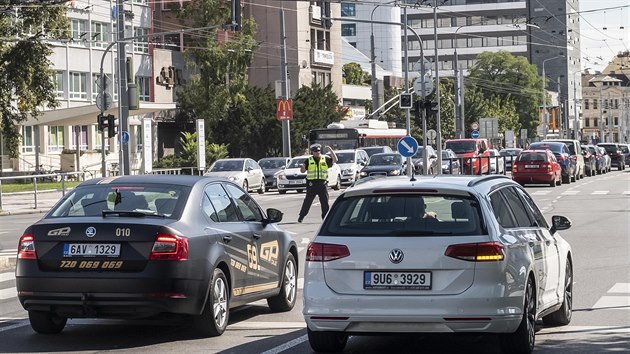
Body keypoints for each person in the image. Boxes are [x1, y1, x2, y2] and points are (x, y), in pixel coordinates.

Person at [297, 144, 337, 223]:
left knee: (325, 201)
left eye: (318, 151)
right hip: (312, 184)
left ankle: (325, 218)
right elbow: (302, 171)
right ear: (312, 152)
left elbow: (335, 160)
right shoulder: (309, 160)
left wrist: (330, 150)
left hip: (322, 183)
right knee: (308, 201)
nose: (317, 152)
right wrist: (302, 167)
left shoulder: (325, 158)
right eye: (315, 151)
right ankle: (301, 216)